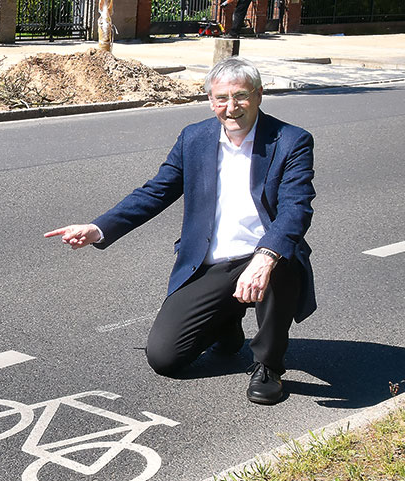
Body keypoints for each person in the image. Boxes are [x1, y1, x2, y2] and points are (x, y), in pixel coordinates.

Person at [44, 57, 316, 405]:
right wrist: (99, 228)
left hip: (264, 255)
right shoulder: (195, 138)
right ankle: (226, 319)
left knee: (282, 260)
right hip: (212, 261)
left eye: (241, 97)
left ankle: (267, 364)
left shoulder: (291, 141)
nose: (231, 108)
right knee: (165, 358)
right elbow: (156, 191)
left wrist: (265, 257)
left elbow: (296, 210)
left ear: (259, 95)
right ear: (210, 100)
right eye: (221, 99)